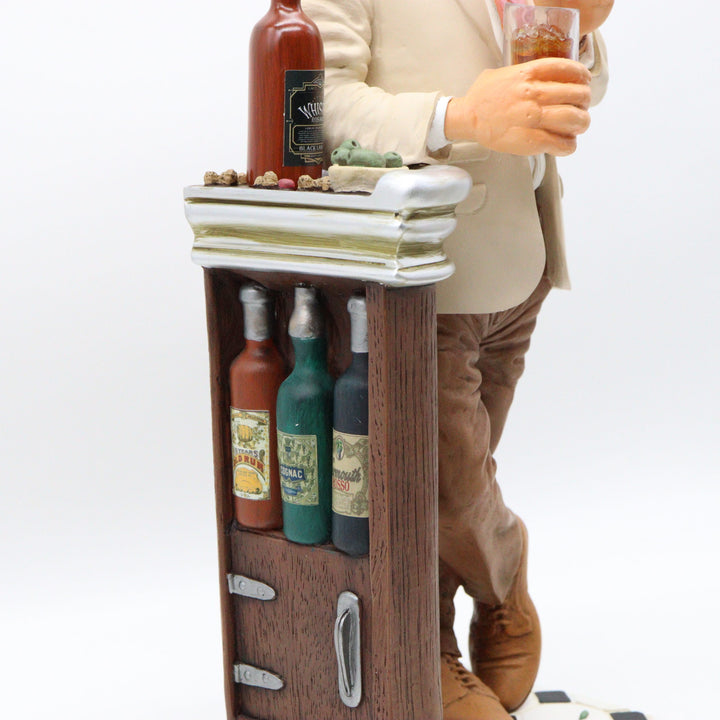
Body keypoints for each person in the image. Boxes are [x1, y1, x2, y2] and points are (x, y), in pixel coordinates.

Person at [303, 0, 614, 718]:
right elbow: (319, 109)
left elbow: (586, 87)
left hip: (521, 261)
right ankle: (479, 597)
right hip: (422, 271)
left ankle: (441, 635)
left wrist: (580, 38)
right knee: (440, 483)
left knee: (451, 482)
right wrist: (461, 116)